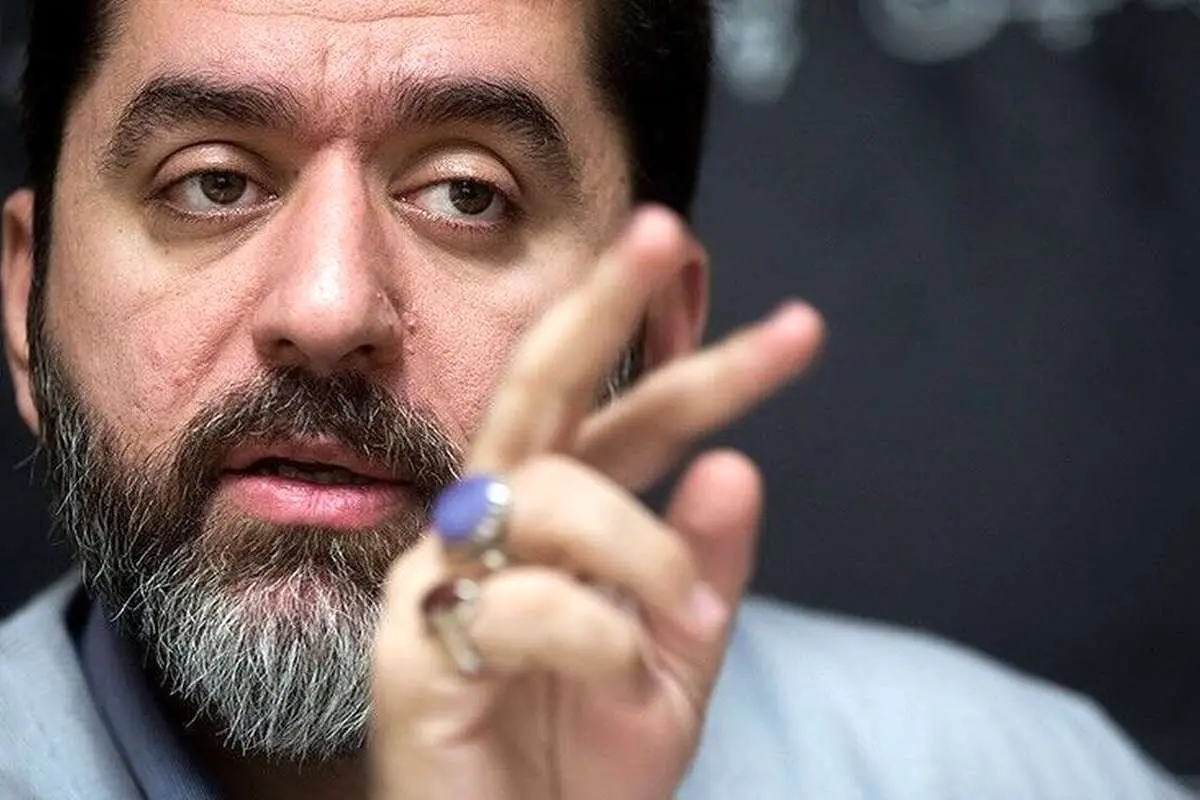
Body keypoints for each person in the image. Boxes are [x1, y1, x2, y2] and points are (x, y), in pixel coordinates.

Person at [0, 1, 1191, 798]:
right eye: (212, 182)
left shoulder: (1012, 771)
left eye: (467, 193)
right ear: (23, 299)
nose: (327, 305)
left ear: (654, 335)